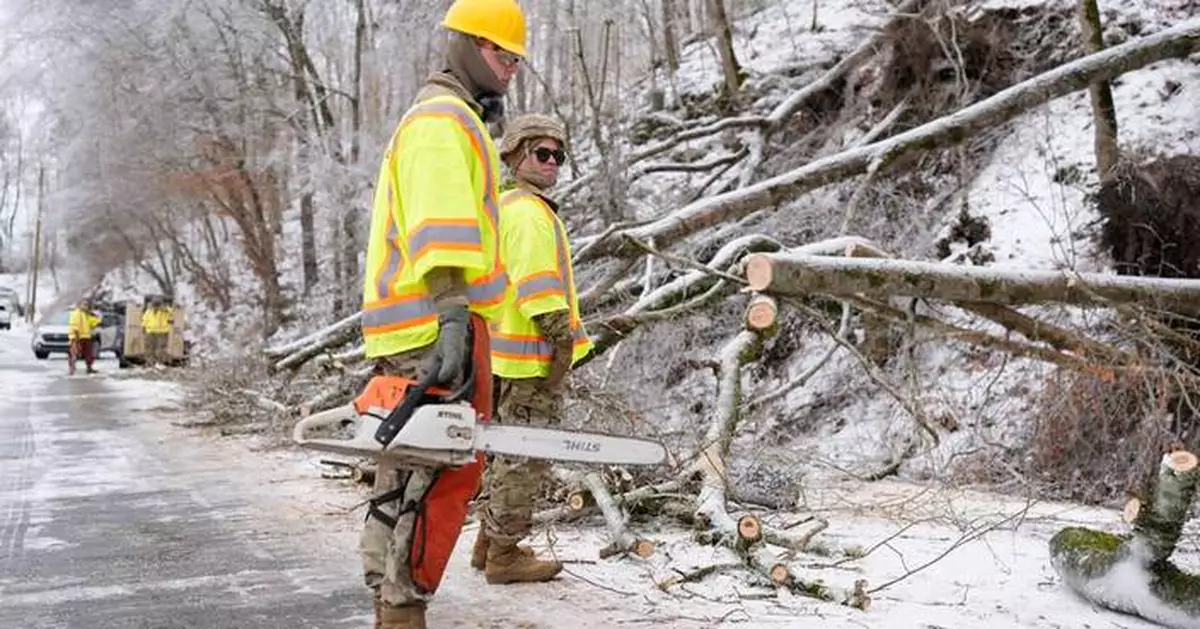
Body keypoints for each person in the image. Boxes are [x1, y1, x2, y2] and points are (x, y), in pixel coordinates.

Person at [357, 0, 524, 627]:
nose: (511, 67)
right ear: (466, 46)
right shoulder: (442, 120)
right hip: (435, 322)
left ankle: (391, 603)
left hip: (420, 323)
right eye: (502, 53)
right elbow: (440, 223)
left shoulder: (450, 118)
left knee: (409, 470)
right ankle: (402, 609)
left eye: (516, 59)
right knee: (435, 476)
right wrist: (453, 314)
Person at [469, 114, 593, 584]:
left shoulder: (509, 207)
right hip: (529, 359)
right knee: (525, 458)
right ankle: (504, 554)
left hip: (507, 357)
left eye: (558, 155)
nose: (552, 162)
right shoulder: (527, 214)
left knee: (505, 455)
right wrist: (561, 342)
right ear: (516, 155)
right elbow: (538, 287)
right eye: (542, 153)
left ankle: (487, 543)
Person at [67, 298, 102, 375]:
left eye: (87, 305)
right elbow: (74, 325)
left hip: (86, 336)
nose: (86, 306)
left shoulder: (86, 314)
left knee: (89, 354)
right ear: (79, 305)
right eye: (84, 304)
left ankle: (89, 367)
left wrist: (97, 318)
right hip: (78, 337)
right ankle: (72, 368)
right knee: (74, 353)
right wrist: (75, 336)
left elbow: (92, 323)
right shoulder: (77, 313)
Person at [141, 298, 172, 366]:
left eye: (157, 305)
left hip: (162, 332)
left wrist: (166, 308)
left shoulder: (165, 311)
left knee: (161, 348)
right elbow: (144, 320)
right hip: (150, 332)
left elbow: (172, 312)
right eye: (154, 305)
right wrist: (143, 327)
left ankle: (160, 363)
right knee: (149, 348)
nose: (155, 307)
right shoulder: (149, 311)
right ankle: (150, 362)